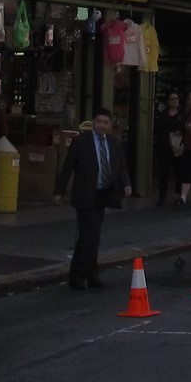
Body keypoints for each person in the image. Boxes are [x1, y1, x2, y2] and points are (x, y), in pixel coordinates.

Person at [53, 109, 131, 291]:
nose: (101, 125)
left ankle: (78, 275)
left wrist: (126, 183)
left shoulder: (113, 143)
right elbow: (67, 167)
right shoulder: (81, 142)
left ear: (109, 124)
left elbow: (121, 166)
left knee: (88, 236)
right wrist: (59, 191)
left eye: (105, 122)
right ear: (93, 122)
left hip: (103, 195)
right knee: (91, 236)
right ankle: (89, 275)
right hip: (85, 194)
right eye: (98, 121)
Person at [153, 91, 185, 206]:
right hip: (165, 147)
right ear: (167, 101)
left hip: (178, 148)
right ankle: (162, 197)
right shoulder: (163, 115)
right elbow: (158, 130)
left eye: (176, 99)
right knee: (163, 174)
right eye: (172, 99)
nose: (174, 101)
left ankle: (180, 195)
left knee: (179, 172)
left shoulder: (182, 115)